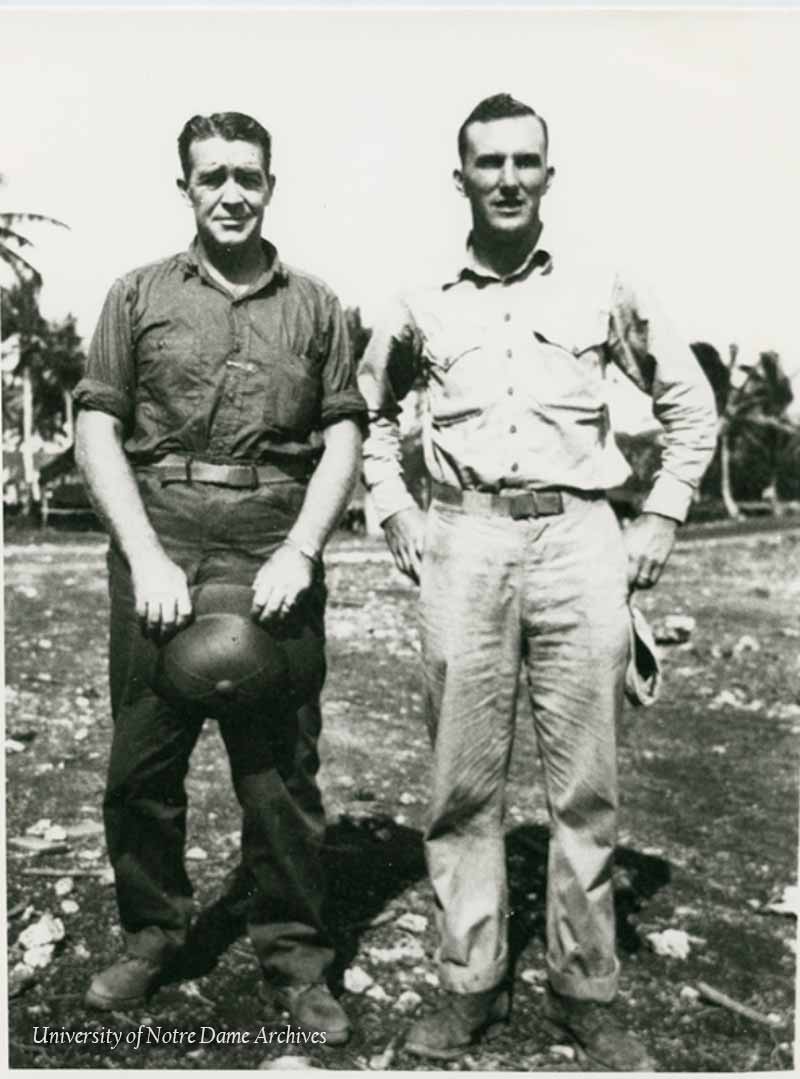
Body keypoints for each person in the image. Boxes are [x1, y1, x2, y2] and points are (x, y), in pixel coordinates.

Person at [358, 92, 717, 1067]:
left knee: (584, 785)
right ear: (461, 177)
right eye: (488, 162)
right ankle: (470, 979)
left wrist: (659, 516)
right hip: (464, 539)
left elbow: (691, 408)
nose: (507, 178)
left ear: (547, 176)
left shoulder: (603, 284)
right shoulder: (418, 297)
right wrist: (395, 510)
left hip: (580, 542)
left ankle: (582, 984)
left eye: (525, 162)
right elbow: (367, 416)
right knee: (461, 780)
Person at [74, 111, 366, 1044]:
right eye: (212, 178)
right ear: (186, 190)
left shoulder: (317, 306)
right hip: (161, 539)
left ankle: (295, 957)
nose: (231, 192)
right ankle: (154, 933)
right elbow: (95, 430)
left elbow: (345, 435)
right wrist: (148, 554)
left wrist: (302, 551)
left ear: (272, 184)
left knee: (280, 774)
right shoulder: (135, 297)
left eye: (248, 175)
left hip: (273, 539)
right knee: (141, 768)